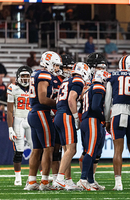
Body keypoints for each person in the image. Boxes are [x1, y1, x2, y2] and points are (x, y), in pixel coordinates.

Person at [24, 51, 62, 191]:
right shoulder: (44, 75)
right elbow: (43, 99)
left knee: (37, 149)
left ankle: (32, 181)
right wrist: (59, 103)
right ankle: (45, 182)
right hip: (41, 112)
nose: (57, 68)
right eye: (56, 65)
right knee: (48, 148)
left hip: (34, 112)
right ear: (49, 64)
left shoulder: (36, 73)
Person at [104, 55, 130, 191]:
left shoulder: (112, 77)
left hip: (118, 112)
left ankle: (118, 184)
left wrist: (107, 120)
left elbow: (108, 101)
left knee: (117, 151)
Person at [53, 62, 90, 191]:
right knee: (72, 149)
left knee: (66, 150)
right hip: (66, 115)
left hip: (59, 115)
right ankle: (60, 179)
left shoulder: (66, 80)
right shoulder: (78, 79)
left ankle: (67, 180)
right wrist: (75, 117)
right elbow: (71, 99)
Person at [77, 70, 109, 191]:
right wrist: (104, 119)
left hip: (86, 120)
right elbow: (95, 107)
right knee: (90, 151)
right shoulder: (98, 87)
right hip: (92, 120)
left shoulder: (89, 89)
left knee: (91, 151)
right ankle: (83, 179)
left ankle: (90, 180)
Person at [49, 54, 74, 186]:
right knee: (54, 149)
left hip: (61, 116)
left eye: (71, 68)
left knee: (64, 149)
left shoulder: (70, 81)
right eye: (66, 67)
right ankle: (54, 178)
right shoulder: (53, 79)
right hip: (54, 116)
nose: (68, 70)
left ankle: (64, 179)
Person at [7, 66, 33, 186]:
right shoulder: (12, 88)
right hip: (18, 119)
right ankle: (18, 177)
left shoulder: (35, 88)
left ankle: (40, 175)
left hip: (31, 119)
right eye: (23, 76)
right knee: (19, 150)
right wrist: (10, 128)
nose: (25, 78)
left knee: (36, 150)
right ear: (18, 76)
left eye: (27, 75)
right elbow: (10, 111)